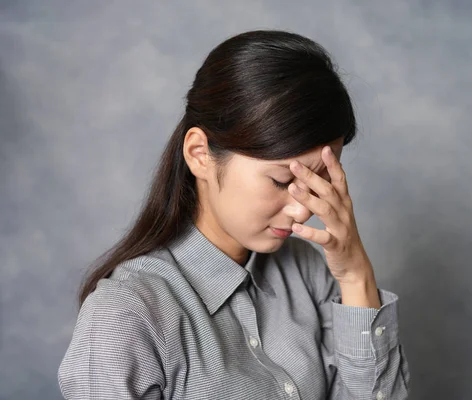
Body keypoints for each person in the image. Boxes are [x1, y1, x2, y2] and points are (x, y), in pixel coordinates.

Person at [57, 29, 410, 400]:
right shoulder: (126, 315)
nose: (303, 210)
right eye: (280, 180)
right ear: (199, 154)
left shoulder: (305, 272)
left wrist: (355, 274)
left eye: (319, 183)